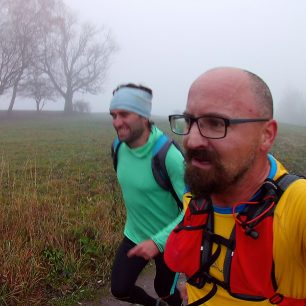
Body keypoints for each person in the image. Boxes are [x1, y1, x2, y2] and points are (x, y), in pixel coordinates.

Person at [164, 67, 306, 305]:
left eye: (216, 123)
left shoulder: (297, 207)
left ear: (266, 135)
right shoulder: (199, 194)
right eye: (189, 121)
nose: (191, 139)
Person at [109, 83, 184, 306]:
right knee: (120, 289)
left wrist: (158, 242)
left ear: (144, 116)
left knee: (165, 290)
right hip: (135, 233)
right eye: (113, 115)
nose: (116, 122)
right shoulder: (117, 147)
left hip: (169, 240)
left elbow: (195, 208)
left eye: (124, 114)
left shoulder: (168, 156)